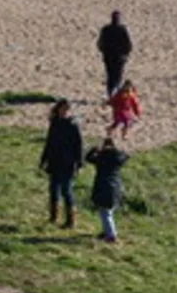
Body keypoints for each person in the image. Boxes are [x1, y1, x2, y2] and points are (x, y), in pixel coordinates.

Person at [38, 99, 85, 228]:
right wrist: (43, 159)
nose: (65, 112)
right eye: (63, 109)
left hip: (68, 162)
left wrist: (80, 163)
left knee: (66, 190)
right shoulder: (54, 123)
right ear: (58, 109)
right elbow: (49, 142)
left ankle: (71, 220)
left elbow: (79, 145)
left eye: (67, 109)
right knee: (53, 189)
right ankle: (53, 217)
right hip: (54, 161)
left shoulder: (73, 125)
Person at [85, 137, 130, 243]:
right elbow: (126, 155)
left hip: (103, 186)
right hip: (116, 186)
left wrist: (94, 149)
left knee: (105, 212)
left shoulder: (101, 158)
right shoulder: (117, 158)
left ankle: (111, 235)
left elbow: (88, 158)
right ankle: (106, 231)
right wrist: (118, 150)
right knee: (108, 211)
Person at [97, 10, 132, 100]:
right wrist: (126, 54)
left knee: (111, 76)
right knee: (117, 76)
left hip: (109, 57)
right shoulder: (122, 29)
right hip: (118, 57)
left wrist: (104, 52)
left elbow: (100, 44)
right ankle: (114, 94)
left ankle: (111, 94)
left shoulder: (106, 29)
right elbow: (128, 44)